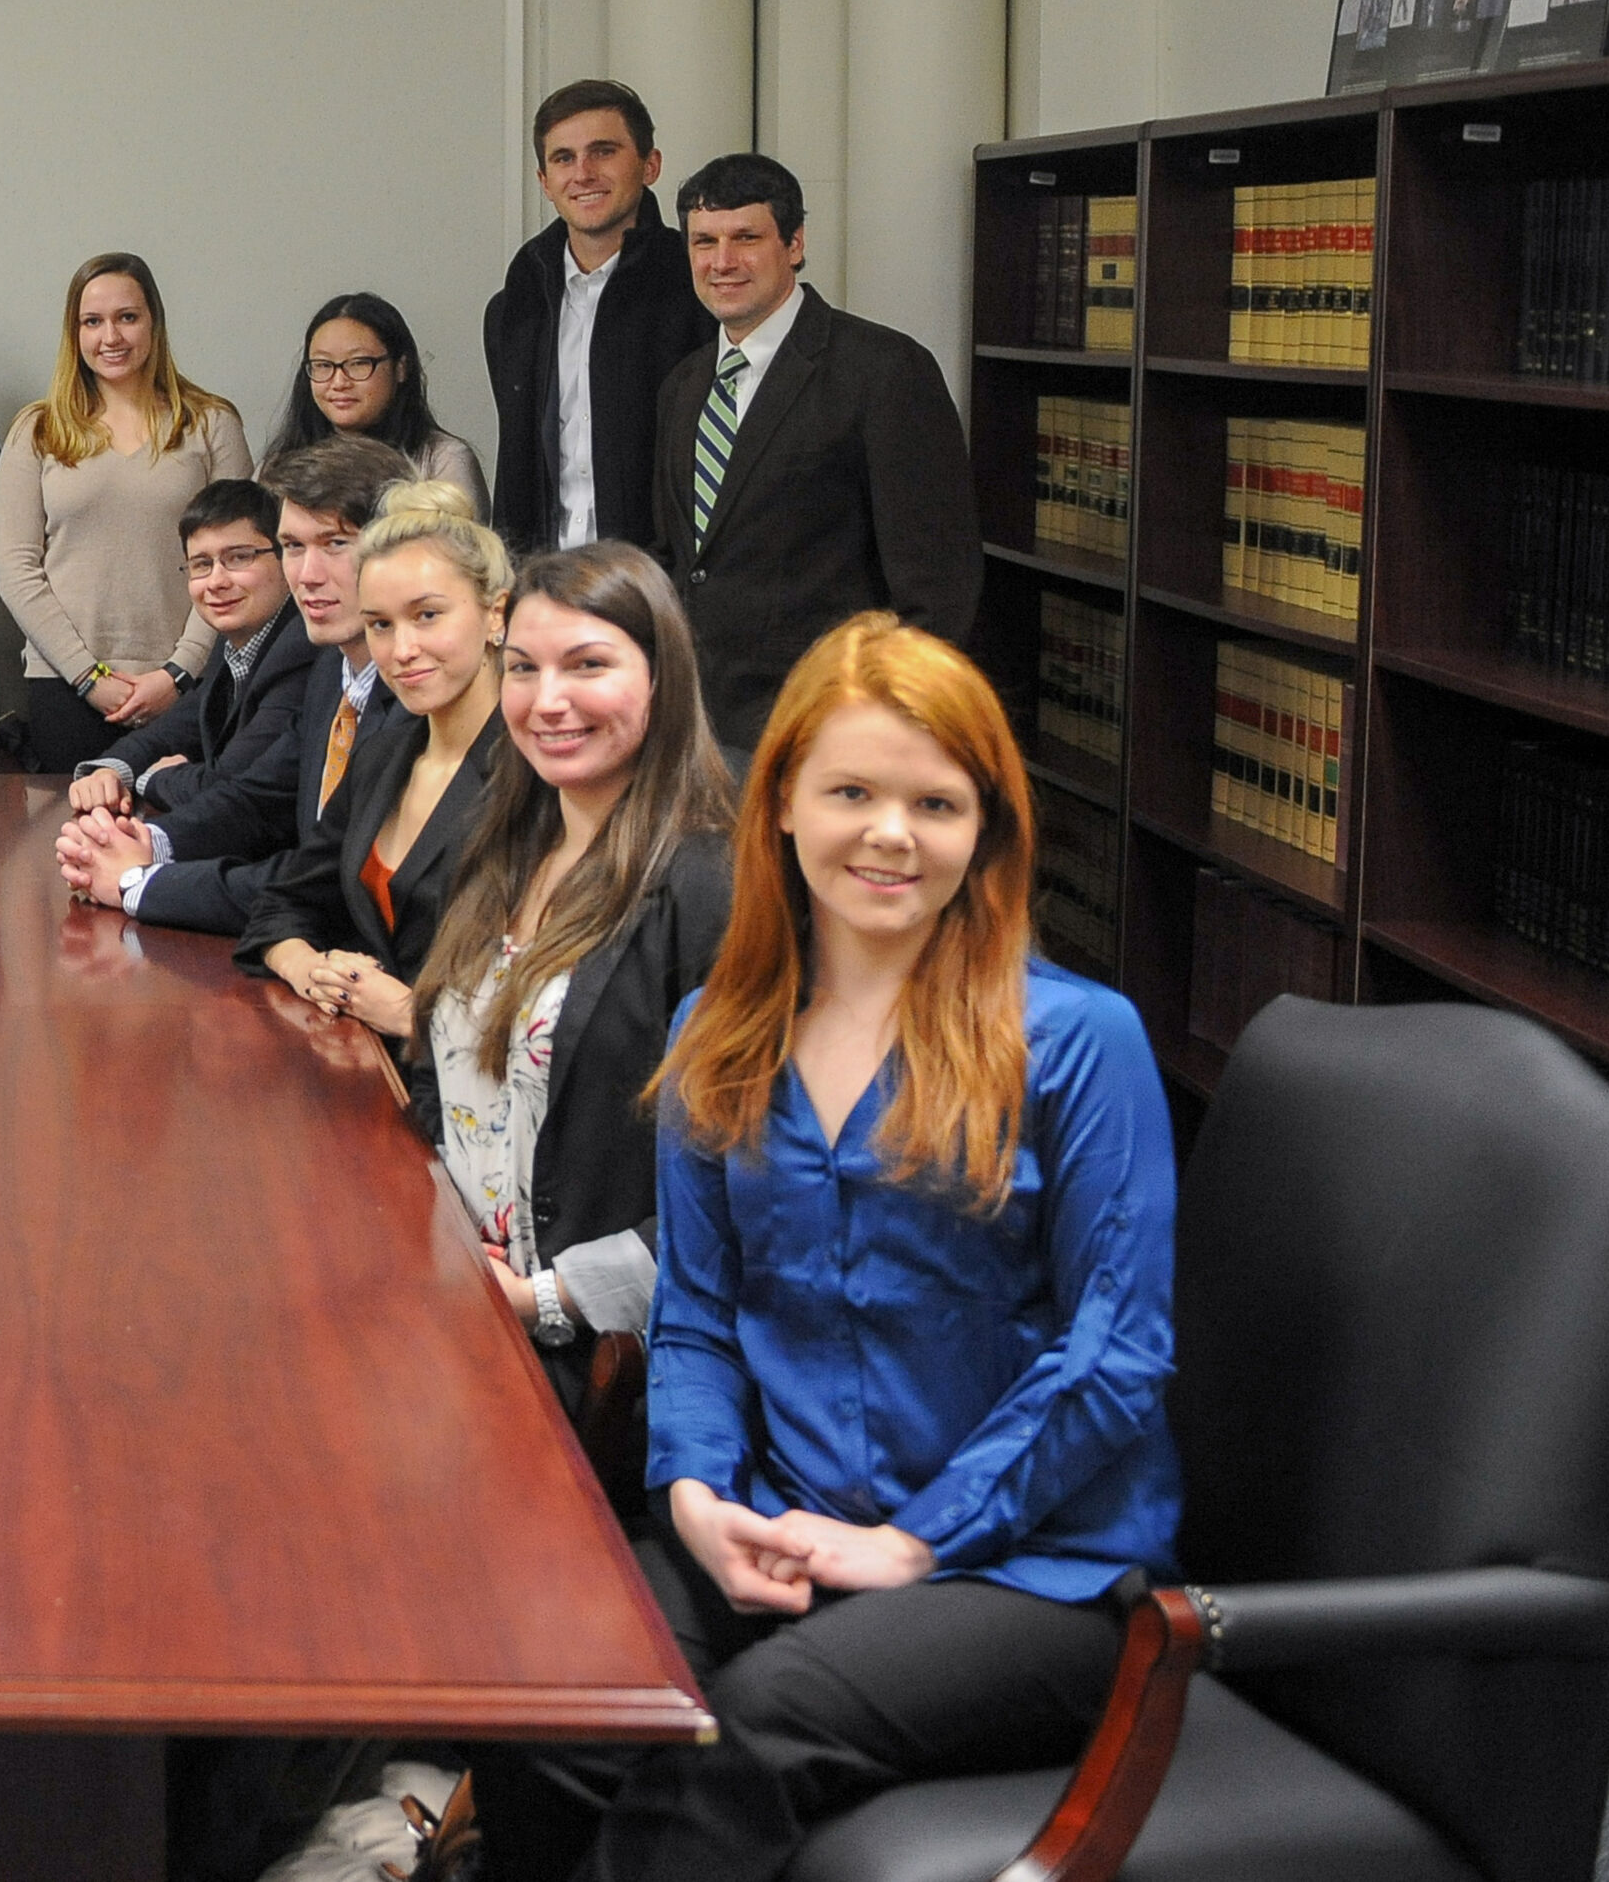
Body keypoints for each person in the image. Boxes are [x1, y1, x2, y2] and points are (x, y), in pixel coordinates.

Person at [483, 613, 1176, 1882]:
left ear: (985, 829)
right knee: (561, 1691)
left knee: (745, 1735)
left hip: (1029, 1572)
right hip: (777, 1515)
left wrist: (910, 1543)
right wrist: (695, 1498)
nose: (892, 834)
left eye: (936, 802)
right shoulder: (717, 1029)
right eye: (850, 791)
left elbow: (1115, 1353)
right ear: (782, 806)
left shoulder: (1081, 1040)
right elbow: (694, 1314)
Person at [409, 543, 733, 1414]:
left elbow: (745, 1183)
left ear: (661, 678)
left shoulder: (710, 884)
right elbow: (443, 1066)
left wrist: (542, 1298)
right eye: (521, 668)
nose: (546, 700)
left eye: (587, 665)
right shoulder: (498, 842)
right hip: (456, 1306)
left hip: (603, 1366)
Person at [649, 155, 980, 756]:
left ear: (795, 244)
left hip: (826, 725)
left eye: (746, 238)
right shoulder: (684, 384)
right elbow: (678, 559)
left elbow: (938, 588)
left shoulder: (884, 371)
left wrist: (884, 728)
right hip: (698, 725)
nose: (722, 262)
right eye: (704, 242)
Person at [59, 434, 416, 935]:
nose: (308, 575)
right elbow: (260, 800)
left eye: (336, 543)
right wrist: (142, 841)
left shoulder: (416, 692)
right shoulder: (333, 672)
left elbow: (335, 882)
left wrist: (137, 883)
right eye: (294, 546)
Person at [241, 486, 512, 1129]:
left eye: (427, 616)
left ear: (496, 615)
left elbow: (569, 1014)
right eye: (380, 625)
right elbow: (280, 904)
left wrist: (409, 1013)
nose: (401, 650)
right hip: (372, 1088)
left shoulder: (537, 774)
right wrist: (308, 968)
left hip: (488, 1124)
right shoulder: (389, 751)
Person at [0, 251, 258, 771]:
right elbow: (16, 569)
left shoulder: (211, 425)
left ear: (154, 323)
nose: (110, 336)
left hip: (190, 685)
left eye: (127, 317)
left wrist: (180, 673)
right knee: (68, 841)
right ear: (75, 333)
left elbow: (240, 563)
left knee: (181, 837)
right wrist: (89, 677)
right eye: (92, 321)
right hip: (65, 686)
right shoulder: (39, 431)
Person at [485, 80, 703, 555]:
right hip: (547, 582)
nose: (582, 173)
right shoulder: (515, 308)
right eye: (563, 158)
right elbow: (516, 465)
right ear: (544, 182)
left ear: (651, 165)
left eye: (603, 152)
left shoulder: (696, 291)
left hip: (660, 584)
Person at [64, 477, 307, 831]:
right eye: (201, 564)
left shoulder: (300, 648)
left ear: (285, 557)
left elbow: (227, 784)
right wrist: (108, 770)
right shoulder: (233, 641)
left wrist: (154, 779)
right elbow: (176, 728)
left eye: (239, 557)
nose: (216, 581)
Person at [267, 290, 487, 520]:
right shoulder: (279, 463)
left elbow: (458, 550)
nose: (339, 381)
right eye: (323, 365)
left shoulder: (443, 460)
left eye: (359, 363)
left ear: (401, 367)